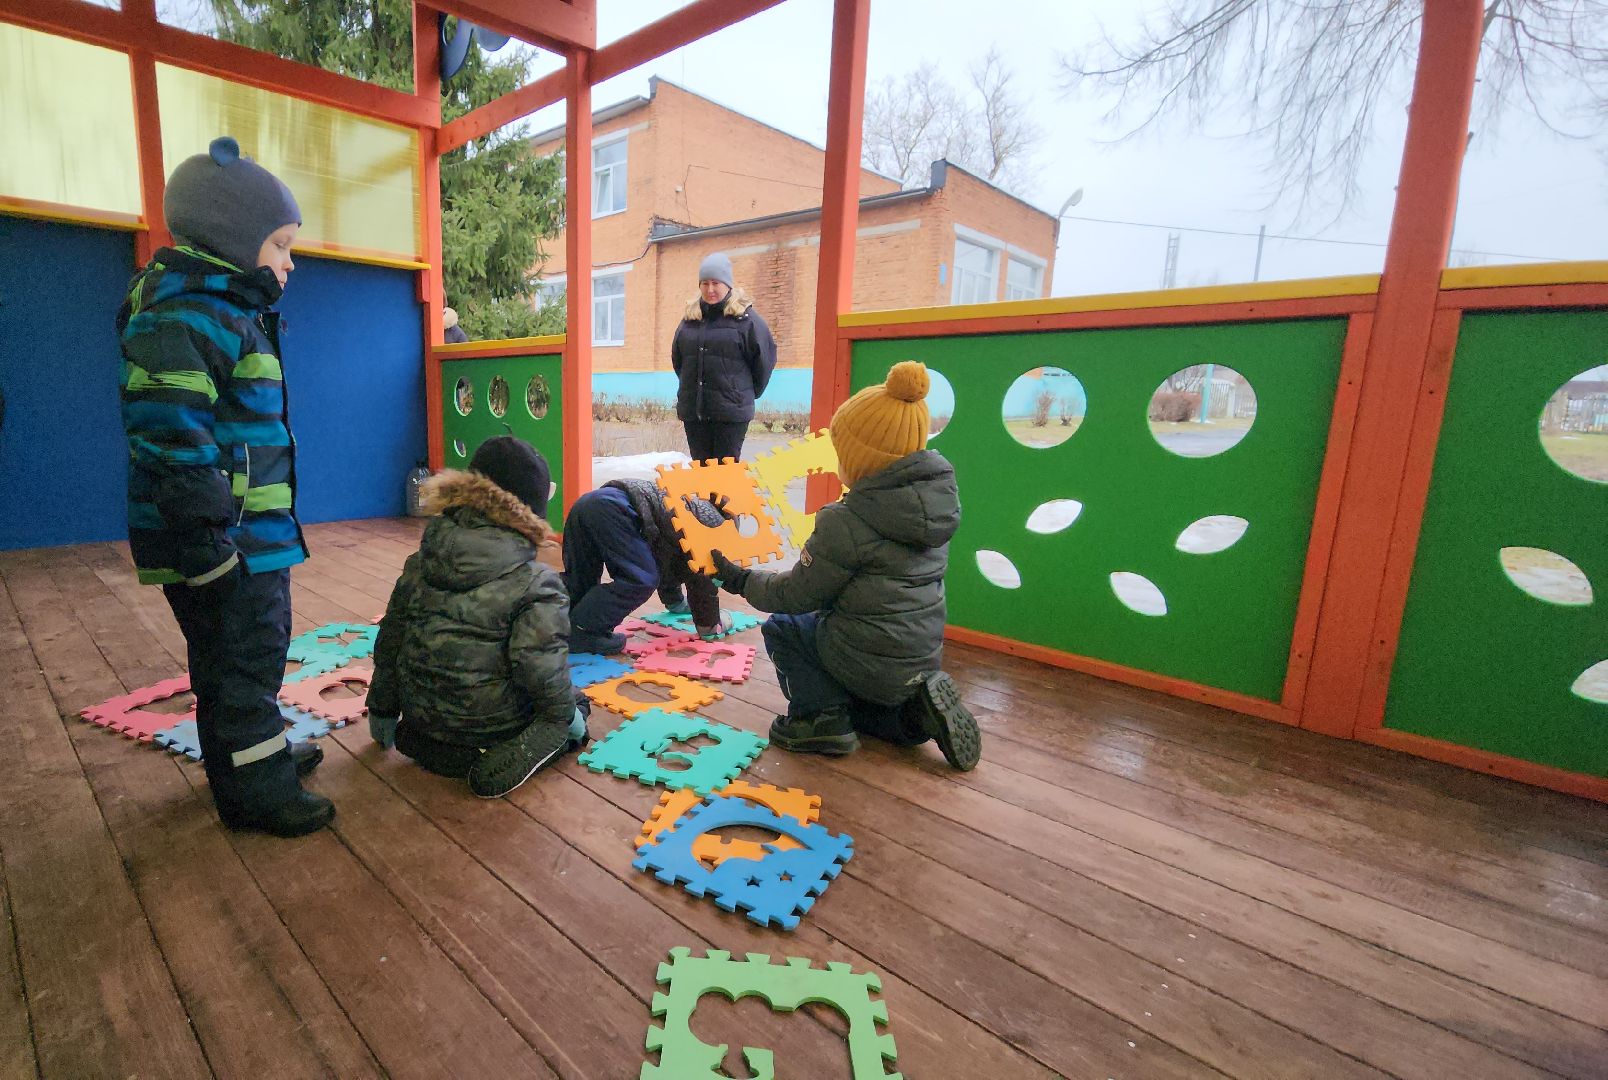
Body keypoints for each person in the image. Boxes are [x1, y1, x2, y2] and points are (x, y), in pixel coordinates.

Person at [117, 135, 330, 837]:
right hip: (223, 540)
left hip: (248, 534)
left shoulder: (226, 311)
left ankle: (250, 760)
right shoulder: (187, 316)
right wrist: (206, 546)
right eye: (280, 245)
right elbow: (170, 442)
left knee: (241, 658)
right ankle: (255, 793)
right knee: (242, 661)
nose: (289, 262)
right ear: (233, 242)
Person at [706, 361, 982, 770]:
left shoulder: (847, 520)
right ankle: (913, 718)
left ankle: (821, 721)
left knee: (785, 627)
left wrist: (740, 580)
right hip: (919, 658)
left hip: (865, 657)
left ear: (863, 459)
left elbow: (795, 595)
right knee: (866, 698)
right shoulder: (935, 507)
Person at [367, 437, 588, 798]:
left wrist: (381, 708)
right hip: (487, 729)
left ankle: (433, 741)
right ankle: (531, 744)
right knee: (575, 703)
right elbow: (540, 668)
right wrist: (566, 719)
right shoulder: (537, 583)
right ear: (530, 510)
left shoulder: (420, 563)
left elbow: (391, 639)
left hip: (420, 725)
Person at [562, 478, 733, 655]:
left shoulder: (693, 507)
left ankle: (553, 624)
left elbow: (668, 560)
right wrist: (711, 625)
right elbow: (702, 579)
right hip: (616, 510)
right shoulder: (713, 528)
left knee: (580, 577)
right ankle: (583, 631)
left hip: (587, 503)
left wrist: (675, 602)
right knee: (639, 580)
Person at [671, 251, 777, 463]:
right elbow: (679, 361)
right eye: (705, 283)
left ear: (727, 285)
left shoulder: (746, 320)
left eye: (716, 283)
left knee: (724, 477)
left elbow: (764, 361)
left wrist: (742, 393)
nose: (710, 289)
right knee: (701, 474)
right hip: (695, 415)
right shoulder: (690, 320)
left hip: (731, 416)